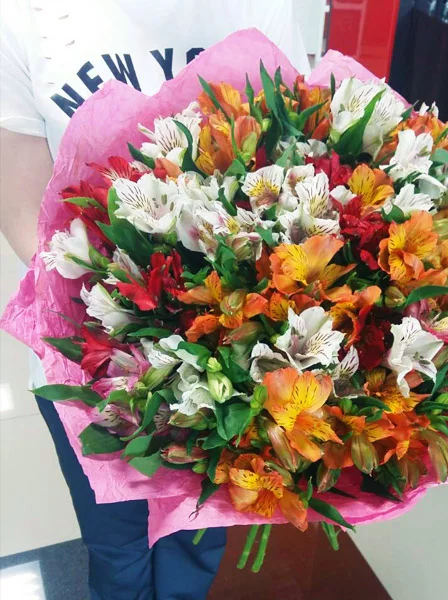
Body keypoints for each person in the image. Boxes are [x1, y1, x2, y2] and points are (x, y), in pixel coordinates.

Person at [0, 1, 309, 598]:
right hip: (94, 339)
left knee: (199, 527)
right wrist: (114, 309)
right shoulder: (20, 14)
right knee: (117, 537)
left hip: (230, 342)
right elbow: (20, 194)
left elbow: (291, 145)